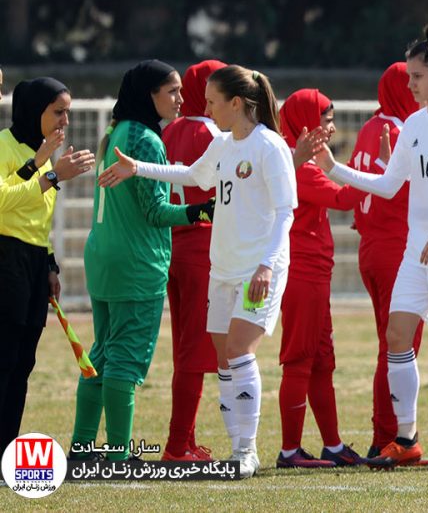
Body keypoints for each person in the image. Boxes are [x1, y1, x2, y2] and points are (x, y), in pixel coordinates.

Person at [98, 65, 297, 477]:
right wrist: (139, 167)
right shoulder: (223, 144)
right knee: (224, 359)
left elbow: (285, 213)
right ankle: (236, 450)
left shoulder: (270, 146)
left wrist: (266, 266)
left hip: (258, 270)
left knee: (239, 351)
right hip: (221, 269)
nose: (204, 109)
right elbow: (191, 174)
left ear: (236, 103)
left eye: (211, 101)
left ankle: (246, 451)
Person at [318, 26, 428, 471]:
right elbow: (390, 183)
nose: (410, 84)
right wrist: (334, 168)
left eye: (417, 76)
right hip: (418, 252)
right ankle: (406, 439)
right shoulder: (413, 124)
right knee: (396, 337)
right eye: (410, 76)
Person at [71, 61, 213, 462]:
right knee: (125, 359)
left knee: (102, 355)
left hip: (103, 258)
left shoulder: (116, 131)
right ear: (149, 95)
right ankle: (118, 455)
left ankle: (82, 448)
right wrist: (202, 211)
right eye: (171, 91)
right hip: (135, 262)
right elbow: (154, 211)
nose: (180, 99)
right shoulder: (147, 139)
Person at [275, 88, 367, 468]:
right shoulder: (298, 166)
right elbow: (343, 199)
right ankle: (289, 451)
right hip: (302, 271)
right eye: (326, 120)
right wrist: (380, 172)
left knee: (321, 361)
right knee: (299, 359)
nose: (331, 127)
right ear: (305, 124)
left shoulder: (302, 162)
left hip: (316, 271)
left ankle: (332, 444)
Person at [0, 78, 94, 453]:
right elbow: (3, 201)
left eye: (67, 112)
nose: (65, 121)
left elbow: (39, 217)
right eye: (58, 112)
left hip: (34, 264)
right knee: (5, 359)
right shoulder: (4, 145)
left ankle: (6, 450)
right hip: (6, 259)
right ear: (34, 110)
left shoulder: (43, 154)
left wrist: (50, 264)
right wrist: (50, 174)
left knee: (23, 362)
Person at [345, 62, 423, 458]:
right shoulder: (402, 129)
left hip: (372, 245)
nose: (417, 90)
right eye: (412, 82)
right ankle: (388, 436)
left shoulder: (370, 126)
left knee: (391, 346)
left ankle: (386, 434)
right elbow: (402, 190)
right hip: (395, 247)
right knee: (398, 349)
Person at [161, 59, 225, 461]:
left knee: (183, 350)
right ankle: (176, 444)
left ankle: (185, 440)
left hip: (173, 244)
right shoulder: (214, 134)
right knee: (195, 354)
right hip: (203, 247)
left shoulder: (168, 130)